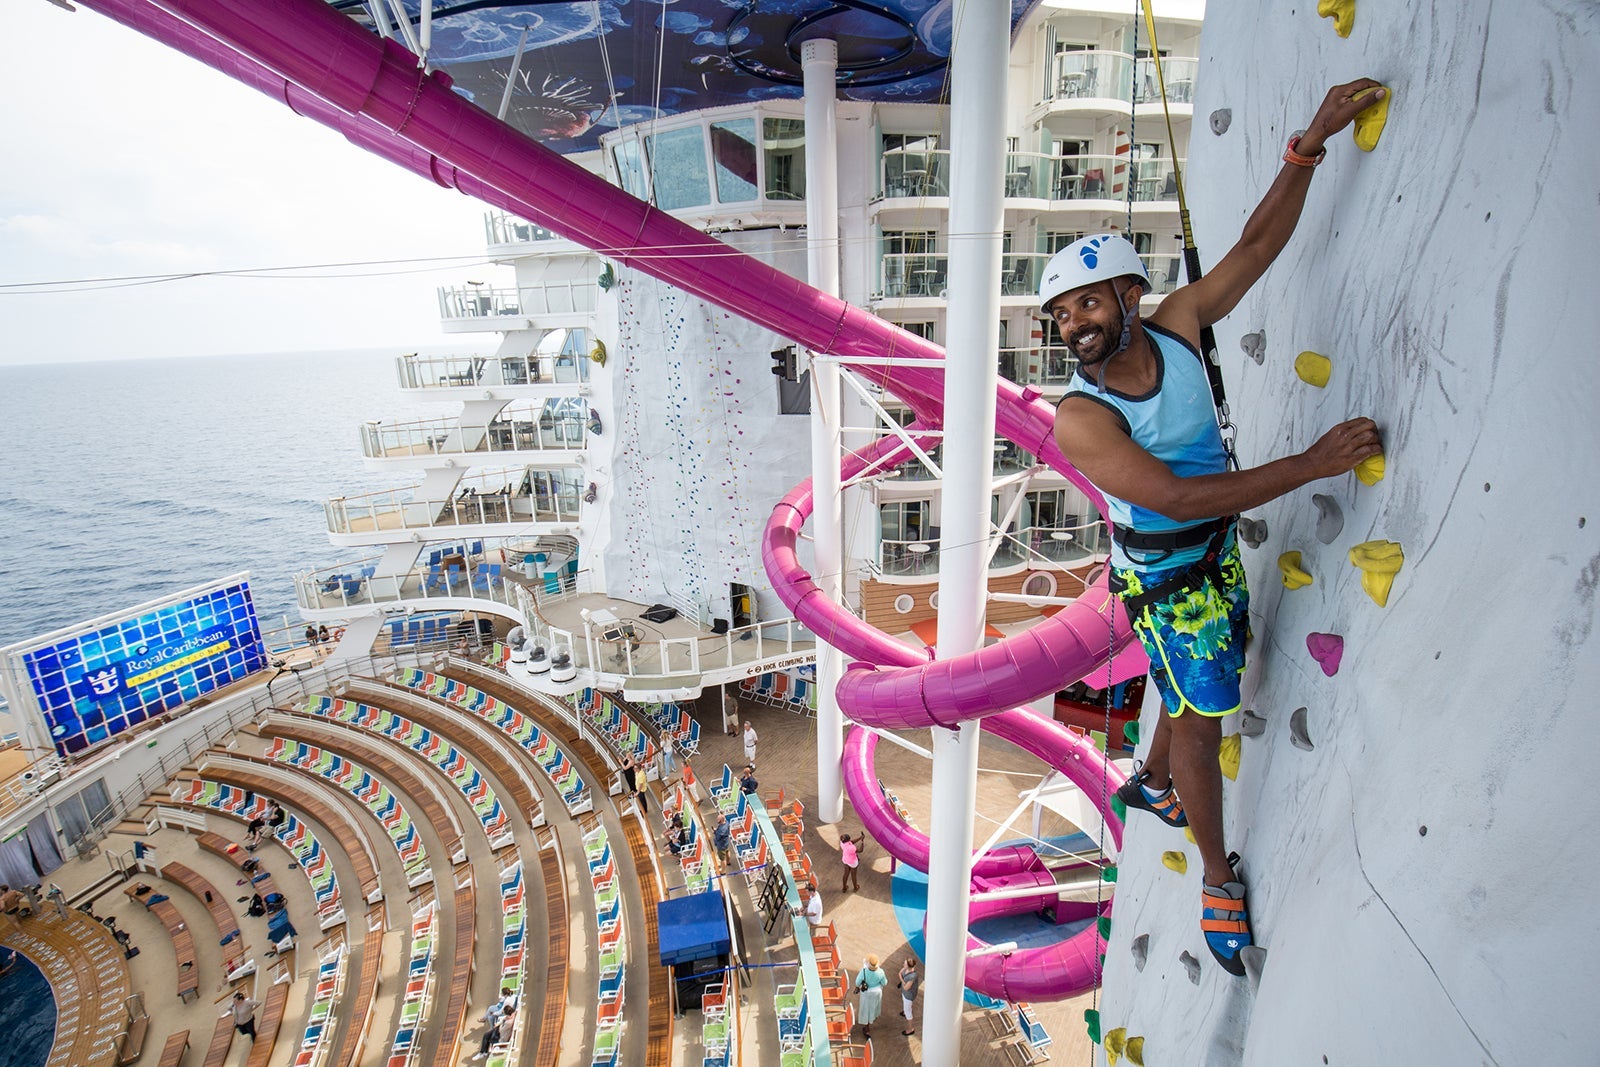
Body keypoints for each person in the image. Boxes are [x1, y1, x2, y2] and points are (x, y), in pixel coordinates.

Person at [1046, 79, 1388, 978]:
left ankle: (1151, 782)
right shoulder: (1077, 419)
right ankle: (1213, 872)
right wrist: (1314, 463)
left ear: (1129, 291)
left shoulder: (1181, 323)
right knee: (1205, 714)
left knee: (1196, 676)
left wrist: (1306, 142)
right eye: (1060, 314)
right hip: (1170, 571)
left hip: (1202, 556)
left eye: (1086, 302)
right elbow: (1183, 497)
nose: (1072, 325)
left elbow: (1258, 244)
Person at [854, 953, 888, 1039]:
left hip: (867, 993)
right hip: (876, 993)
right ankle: (871, 1020)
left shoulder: (864, 971)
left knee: (865, 1009)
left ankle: (867, 1028)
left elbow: (857, 983)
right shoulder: (881, 972)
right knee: (873, 1007)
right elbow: (884, 983)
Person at [897, 956, 920, 1036]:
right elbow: (899, 973)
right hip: (905, 994)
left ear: (909, 966)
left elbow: (906, 988)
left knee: (908, 1013)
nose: (903, 964)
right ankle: (905, 1011)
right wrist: (903, 982)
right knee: (906, 1006)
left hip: (908, 996)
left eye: (905, 964)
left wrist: (902, 981)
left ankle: (910, 1029)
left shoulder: (912, 976)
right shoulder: (906, 969)